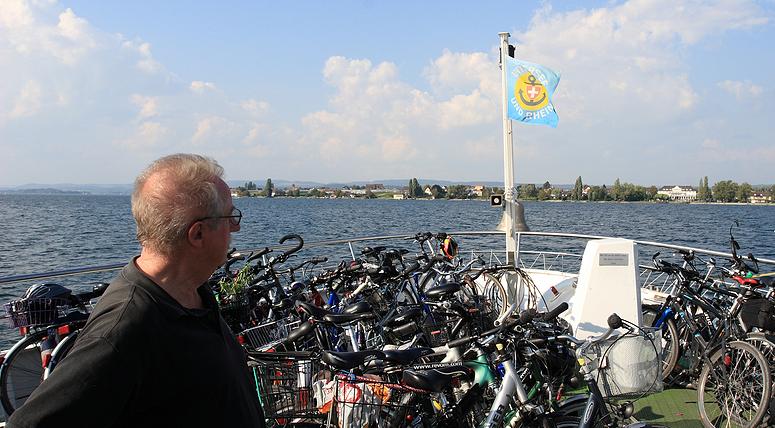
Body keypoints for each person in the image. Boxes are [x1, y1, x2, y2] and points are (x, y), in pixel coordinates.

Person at [8, 154, 265, 427]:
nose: (235, 227)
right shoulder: (126, 326)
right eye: (230, 217)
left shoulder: (192, 293)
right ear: (198, 234)